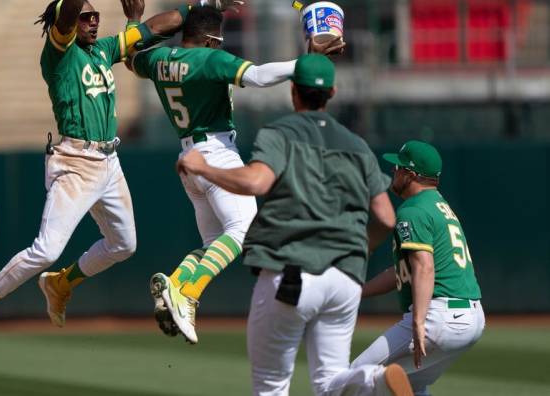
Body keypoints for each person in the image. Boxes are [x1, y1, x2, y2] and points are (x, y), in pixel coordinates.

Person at [0, 0, 243, 352]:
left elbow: (154, 28)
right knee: (47, 249)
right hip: (74, 162)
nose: (92, 20)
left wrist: (202, 7)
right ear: (69, 24)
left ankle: (61, 283)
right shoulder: (60, 56)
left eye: (95, 16)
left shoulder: (104, 50)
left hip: (109, 161)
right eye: (85, 17)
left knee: (124, 245)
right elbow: (70, 11)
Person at [177, 54, 413, 395]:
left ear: (293, 91)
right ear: (332, 92)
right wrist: (361, 248)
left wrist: (203, 168)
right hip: (345, 278)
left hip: (292, 272)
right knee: (330, 381)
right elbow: (387, 217)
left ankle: (372, 383)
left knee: (271, 385)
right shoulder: (357, 145)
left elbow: (257, 182)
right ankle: (372, 381)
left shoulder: (281, 133)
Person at [128, 5, 345, 344]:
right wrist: (303, 63)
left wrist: (133, 22)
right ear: (212, 39)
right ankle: (188, 294)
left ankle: (177, 281)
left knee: (215, 243)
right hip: (216, 153)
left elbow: (132, 58)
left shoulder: (158, 59)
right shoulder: (210, 58)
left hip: (188, 156)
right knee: (243, 232)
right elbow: (258, 76)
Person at [350, 140, 485, 395]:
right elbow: (404, 272)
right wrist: (357, 292)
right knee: (410, 384)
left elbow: (424, 266)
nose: (394, 171)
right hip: (471, 317)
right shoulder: (440, 206)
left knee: (355, 377)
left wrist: (419, 321)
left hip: (440, 315)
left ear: (410, 175)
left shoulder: (413, 210)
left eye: (399, 167)